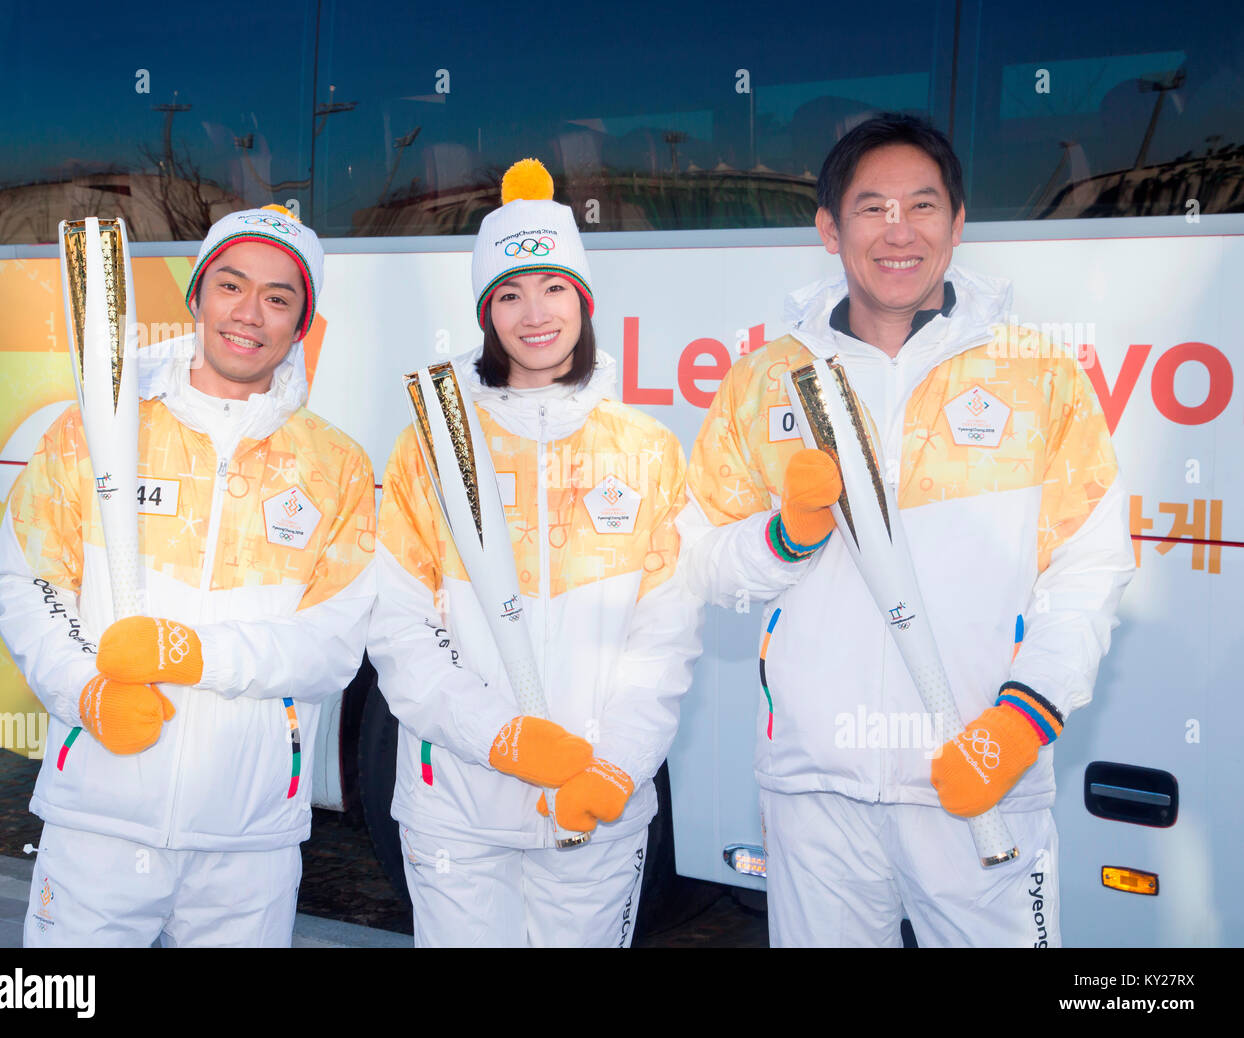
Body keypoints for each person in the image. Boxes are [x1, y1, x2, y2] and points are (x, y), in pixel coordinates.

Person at [680, 114, 1135, 947]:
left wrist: (1023, 719)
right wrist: (783, 538)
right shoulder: (765, 381)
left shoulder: (1039, 377)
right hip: (816, 787)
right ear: (828, 229)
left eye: (923, 207)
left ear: (958, 224)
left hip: (984, 776)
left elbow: (1091, 565)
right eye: (872, 208)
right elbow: (696, 560)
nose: (900, 232)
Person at [0, 206, 377, 947]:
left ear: (301, 325)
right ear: (197, 295)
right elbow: (29, 583)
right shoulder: (94, 428)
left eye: (278, 297)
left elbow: (333, 645)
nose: (249, 314)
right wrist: (87, 691)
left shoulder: (336, 468)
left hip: (251, 840)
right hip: (97, 818)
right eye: (231, 285)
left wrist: (195, 655)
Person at [368, 159, 704, 947]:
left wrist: (617, 765)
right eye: (509, 294)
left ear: (583, 302)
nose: (534, 314)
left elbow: (666, 637)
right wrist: (501, 737)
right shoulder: (431, 449)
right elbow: (398, 630)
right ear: (487, 315)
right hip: (457, 806)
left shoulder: (646, 449)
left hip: (596, 807)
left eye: (553, 288)